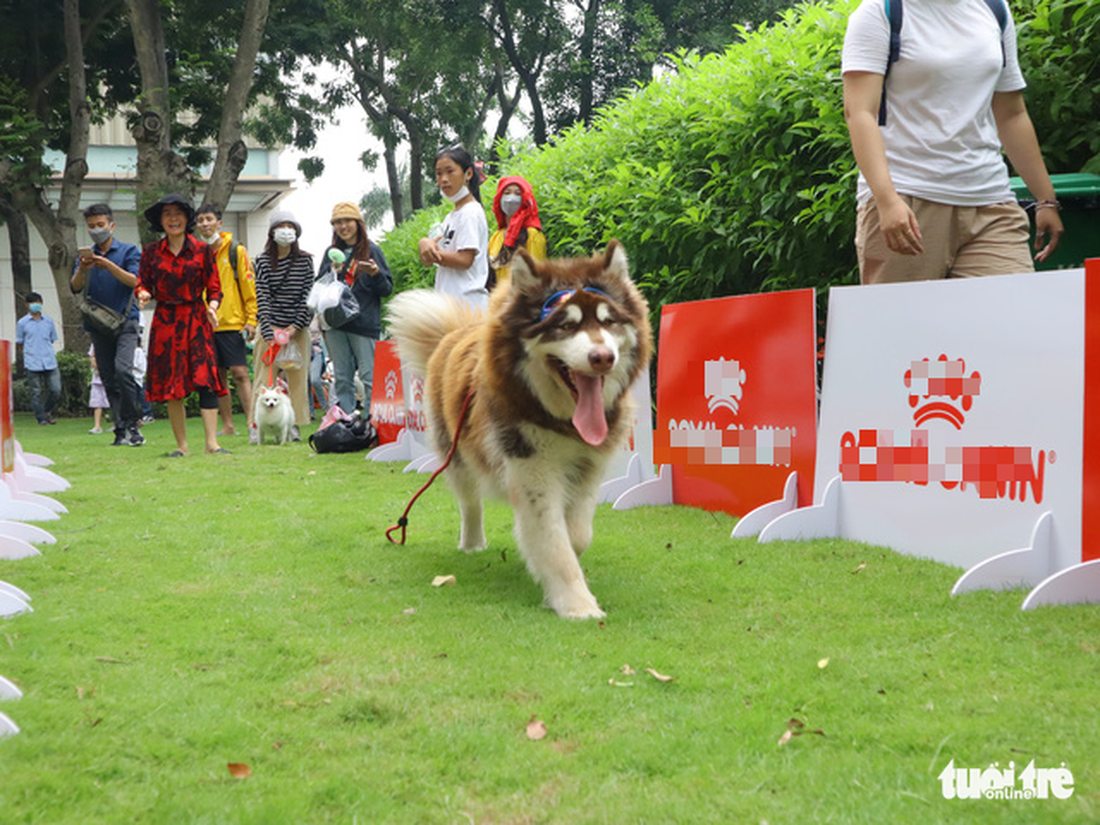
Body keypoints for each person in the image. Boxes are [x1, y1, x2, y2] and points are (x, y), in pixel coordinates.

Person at [841, 0, 1064, 284]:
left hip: (990, 202)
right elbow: (859, 113)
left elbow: (1011, 114)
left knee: (1011, 321)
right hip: (908, 201)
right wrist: (887, 201)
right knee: (907, 326)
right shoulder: (880, 12)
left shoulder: (995, 9)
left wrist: (1046, 199)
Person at [135, 193, 228, 457]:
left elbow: (214, 288)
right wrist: (142, 293)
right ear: (160, 221)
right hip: (165, 321)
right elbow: (143, 283)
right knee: (172, 383)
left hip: (197, 319)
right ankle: (182, 446)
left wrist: (212, 307)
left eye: (178, 213)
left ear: (187, 219)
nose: (173, 218)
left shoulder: (201, 250)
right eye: (167, 214)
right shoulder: (152, 253)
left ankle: (212, 443)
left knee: (206, 379)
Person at [70, 203, 144, 446]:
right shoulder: (85, 256)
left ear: (111, 226)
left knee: (124, 371)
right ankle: (120, 428)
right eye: (91, 226)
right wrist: (83, 267)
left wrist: (108, 265)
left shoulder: (129, 251)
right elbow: (75, 286)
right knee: (109, 379)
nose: (96, 230)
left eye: (100, 225)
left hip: (126, 321)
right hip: (98, 325)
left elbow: (134, 280)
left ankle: (134, 424)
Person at [316, 201, 393, 414]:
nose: (343, 226)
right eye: (338, 222)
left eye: (348, 221)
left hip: (364, 324)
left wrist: (375, 273)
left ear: (358, 223)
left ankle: (371, 423)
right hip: (335, 325)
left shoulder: (373, 251)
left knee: (369, 377)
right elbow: (319, 286)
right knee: (341, 377)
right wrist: (332, 272)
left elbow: (386, 289)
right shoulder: (330, 253)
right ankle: (347, 422)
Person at [251, 209, 314, 443]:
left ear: (296, 232)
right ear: (272, 232)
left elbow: (308, 298)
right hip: (269, 327)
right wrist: (268, 332)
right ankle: (255, 425)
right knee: (263, 379)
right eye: (281, 226)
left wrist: (295, 327)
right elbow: (262, 296)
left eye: (290, 226)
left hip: (297, 329)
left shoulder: (306, 261)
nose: (286, 231)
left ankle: (295, 424)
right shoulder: (263, 261)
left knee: (298, 378)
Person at [195, 203, 257, 436]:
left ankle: (253, 423)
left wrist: (252, 319)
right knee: (217, 378)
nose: (205, 224)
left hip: (231, 322)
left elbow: (249, 287)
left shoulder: (236, 250)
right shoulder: (197, 252)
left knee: (240, 373)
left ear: (219, 223)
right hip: (205, 324)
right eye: (200, 220)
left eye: (209, 219)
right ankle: (228, 426)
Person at [417, 144, 490, 309]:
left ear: (468, 174)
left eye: (450, 171)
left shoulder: (470, 212)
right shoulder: (451, 216)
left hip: (467, 307)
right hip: (451, 307)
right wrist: (425, 246)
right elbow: (432, 260)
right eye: (439, 173)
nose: (443, 179)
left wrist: (433, 253)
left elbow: (465, 259)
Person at [488, 176, 547, 289]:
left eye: (518, 193)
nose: (511, 198)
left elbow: (536, 277)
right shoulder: (496, 237)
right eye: (507, 193)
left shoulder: (533, 236)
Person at [14, 292, 60, 426]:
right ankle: (41, 418)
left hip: (49, 360)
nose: (36, 305)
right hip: (32, 361)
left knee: (55, 389)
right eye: (34, 302)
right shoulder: (22, 323)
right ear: (27, 305)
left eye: (39, 302)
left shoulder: (49, 321)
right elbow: (20, 342)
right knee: (35, 392)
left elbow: (52, 339)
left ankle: (46, 411)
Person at [88, 344, 109, 433]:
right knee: (97, 402)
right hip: (97, 377)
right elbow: (91, 356)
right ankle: (97, 426)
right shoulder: (95, 343)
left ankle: (118, 424)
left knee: (114, 399)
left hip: (109, 376)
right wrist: (94, 363)